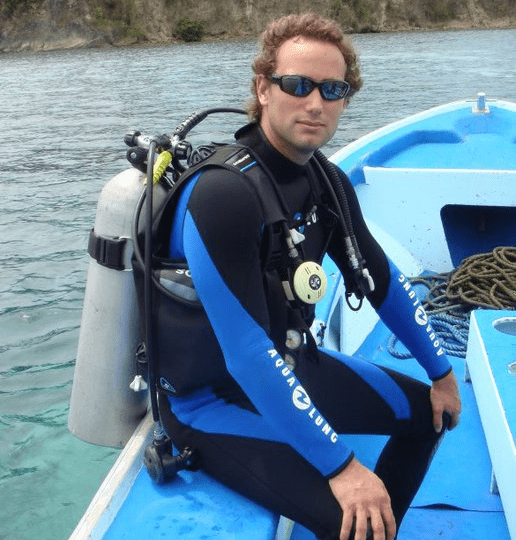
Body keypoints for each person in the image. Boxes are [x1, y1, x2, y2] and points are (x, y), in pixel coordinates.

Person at [155, 12, 462, 540]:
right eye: (297, 85)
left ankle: (376, 525)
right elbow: (247, 355)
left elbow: (382, 280)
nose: (315, 103)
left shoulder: (326, 180)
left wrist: (441, 373)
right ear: (263, 89)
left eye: (332, 88)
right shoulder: (223, 195)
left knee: (430, 416)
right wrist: (343, 469)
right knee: (357, 518)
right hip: (212, 400)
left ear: (346, 97)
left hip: (291, 366)